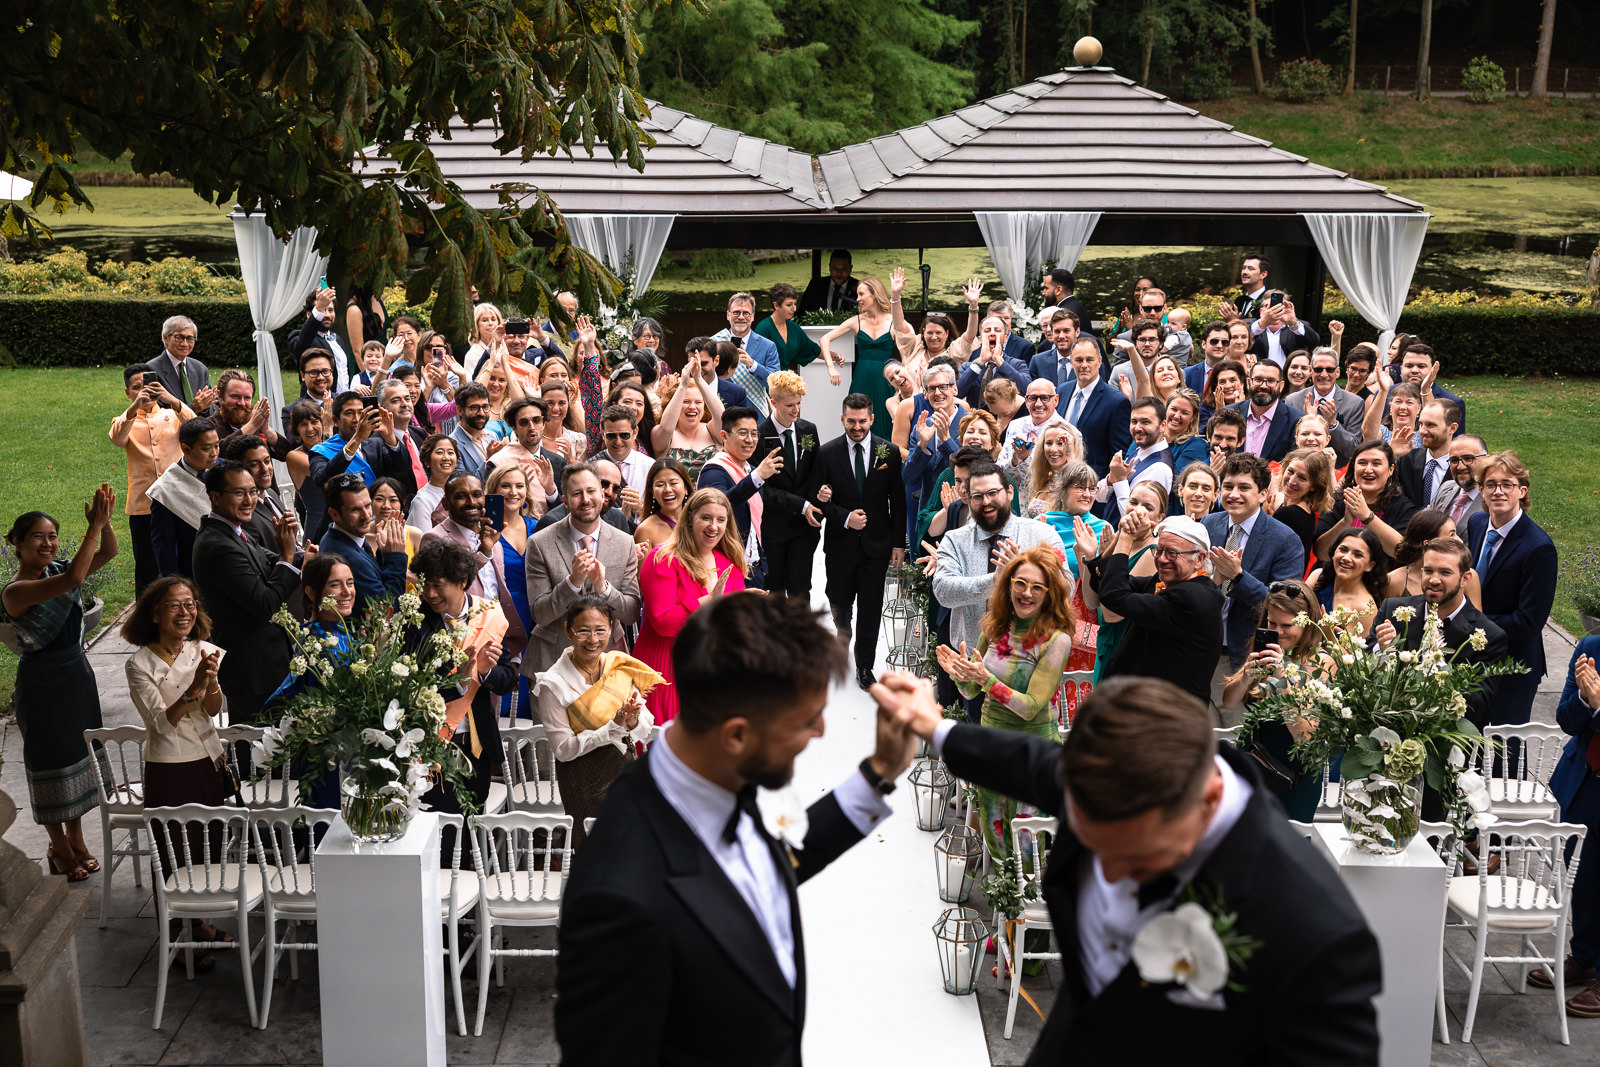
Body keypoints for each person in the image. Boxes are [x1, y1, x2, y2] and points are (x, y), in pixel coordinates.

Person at [878, 671, 1381, 1062]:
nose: (1109, 878)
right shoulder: (1107, 778)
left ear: (1205, 800)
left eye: (1137, 858)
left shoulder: (1319, 938)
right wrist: (933, 726)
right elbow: (1028, 761)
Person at [556, 592, 915, 1066]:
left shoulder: (713, 776)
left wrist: (881, 772)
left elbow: (764, 866)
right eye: (807, 721)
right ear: (737, 736)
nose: (822, 733)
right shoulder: (619, 900)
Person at [3, 491, 118, 883]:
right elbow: (76, 578)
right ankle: (59, 847)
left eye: (53, 535)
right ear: (17, 544)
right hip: (43, 684)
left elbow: (110, 551)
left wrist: (104, 522)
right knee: (51, 763)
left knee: (79, 759)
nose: (49, 543)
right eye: (38, 536)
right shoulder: (15, 591)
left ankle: (77, 841)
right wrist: (91, 528)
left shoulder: (60, 570)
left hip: (76, 677)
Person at [938, 545, 1073, 862]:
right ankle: (1006, 909)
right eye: (1020, 583)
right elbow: (972, 692)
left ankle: (1021, 910)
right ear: (1008, 584)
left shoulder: (1056, 640)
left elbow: (1030, 707)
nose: (1027, 593)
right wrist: (959, 674)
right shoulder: (994, 625)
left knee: (1027, 851)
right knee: (995, 840)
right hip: (993, 747)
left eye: (1037, 587)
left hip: (1033, 754)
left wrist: (986, 680)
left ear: (1050, 594)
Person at [932, 463, 1065, 721]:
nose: (986, 502)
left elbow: (1065, 588)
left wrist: (1021, 579)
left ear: (1010, 492)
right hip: (976, 664)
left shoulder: (1042, 535)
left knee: (1026, 749)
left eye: (993, 493)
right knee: (984, 747)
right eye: (977, 496)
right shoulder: (955, 540)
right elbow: (943, 591)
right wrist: (995, 581)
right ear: (968, 499)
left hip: (1031, 664)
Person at [531, 595, 660, 849]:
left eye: (600, 630)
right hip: (583, 784)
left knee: (632, 851)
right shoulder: (553, 684)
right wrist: (610, 729)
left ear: (611, 629)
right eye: (583, 631)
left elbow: (644, 729)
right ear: (568, 631)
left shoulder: (618, 668)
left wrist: (631, 722)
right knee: (595, 858)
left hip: (625, 775)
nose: (593, 640)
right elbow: (564, 750)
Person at [407, 539, 514, 825]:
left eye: (438, 585)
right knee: (441, 832)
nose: (429, 593)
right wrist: (459, 679)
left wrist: (483, 673)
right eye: (425, 584)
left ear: (463, 581)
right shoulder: (414, 620)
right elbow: (411, 686)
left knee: (471, 829)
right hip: (433, 745)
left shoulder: (489, 613)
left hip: (475, 745)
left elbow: (506, 678)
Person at [190, 460, 301, 726]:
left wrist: (300, 556)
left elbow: (269, 562)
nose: (249, 500)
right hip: (252, 672)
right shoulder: (218, 546)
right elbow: (265, 603)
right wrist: (288, 556)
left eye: (252, 492)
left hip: (268, 665)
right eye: (239, 493)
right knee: (261, 754)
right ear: (215, 496)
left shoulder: (235, 531)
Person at [811, 393, 906, 689]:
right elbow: (819, 500)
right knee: (838, 599)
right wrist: (844, 516)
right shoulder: (826, 453)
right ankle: (843, 628)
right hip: (840, 543)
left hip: (876, 545)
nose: (857, 426)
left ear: (872, 419)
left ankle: (864, 665)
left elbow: (898, 500)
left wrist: (898, 544)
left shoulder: (888, 452)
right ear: (842, 419)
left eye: (862, 421)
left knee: (871, 607)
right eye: (851, 421)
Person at [1202, 453, 1307, 718]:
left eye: (1244, 487)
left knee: (1231, 742)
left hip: (1244, 657)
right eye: (1228, 486)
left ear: (1262, 494)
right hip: (1200, 648)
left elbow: (1285, 605)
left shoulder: (1285, 540)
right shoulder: (1207, 525)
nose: (1233, 494)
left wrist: (1238, 577)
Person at [634, 488, 748, 724]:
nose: (713, 526)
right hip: (666, 667)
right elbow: (663, 622)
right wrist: (710, 601)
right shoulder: (663, 559)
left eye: (720, 520)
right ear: (689, 519)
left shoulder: (730, 563)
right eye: (706, 518)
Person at [1371, 537, 1508, 731]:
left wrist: (1438, 665)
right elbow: (1366, 676)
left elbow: (1475, 707)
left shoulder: (1490, 636)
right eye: (1428, 571)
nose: (1434, 580)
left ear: (1465, 579)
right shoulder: (1393, 611)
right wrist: (1382, 650)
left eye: (1445, 572)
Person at [1085, 513, 1224, 705]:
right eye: (1158, 550)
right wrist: (1122, 535)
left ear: (1199, 559)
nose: (1162, 559)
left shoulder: (1192, 597)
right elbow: (1104, 582)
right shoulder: (1166, 582)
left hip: (1164, 720)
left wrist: (1127, 539)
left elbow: (1115, 596)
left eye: (1172, 553)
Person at [1463, 450, 1558, 729]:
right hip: (1471, 661)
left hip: (1512, 668)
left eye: (1507, 484)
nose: (1499, 491)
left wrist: (1473, 623)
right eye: (1491, 484)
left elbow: (1529, 622)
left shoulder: (1538, 547)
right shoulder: (1477, 523)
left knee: (1506, 756)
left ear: (1522, 491)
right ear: (1481, 490)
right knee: (1467, 748)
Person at [1226, 581, 1334, 822]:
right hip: (1254, 766)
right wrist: (1245, 678)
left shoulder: (1321, 662)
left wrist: (1282, 679)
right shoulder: (1269, 648)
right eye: (1271, 623)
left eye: (1287, 625)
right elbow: (1229, 701)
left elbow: (1305, 737)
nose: (1279, 631)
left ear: (1307, 625)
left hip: (1293, 777)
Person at [522, 463, 641, 675]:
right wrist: (572, 583)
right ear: (565, 501)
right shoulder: (539, 543)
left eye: (591, 491)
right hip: (552, 664)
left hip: (607, 664)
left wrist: (604, 589)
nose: (586, 500)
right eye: (577, 494)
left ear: (602, 495)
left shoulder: (625, 542)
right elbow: (540, 614)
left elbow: (631, 612)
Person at [1541, 634, 1600, 1013]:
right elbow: (1564, 718)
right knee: (1584, 877)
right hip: (1584, 783)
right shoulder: (1591, 647)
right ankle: (1584, 958)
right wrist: (1583, 700)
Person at [111, 362, 196, 594]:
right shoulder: (125, 420)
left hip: (178, 501)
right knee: (147, 566)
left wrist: (172, 399)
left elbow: (195, 425)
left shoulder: (172, 414)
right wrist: (134, 408)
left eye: (147, 384)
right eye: (136, 387)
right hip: (143, 506)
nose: (144, 391)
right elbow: (117, 437)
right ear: (127, 393)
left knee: (185, 561)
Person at [750, 371, 823, 600]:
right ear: (773, 402)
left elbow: (815, 472)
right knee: (775, 591)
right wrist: (800, 504)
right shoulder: (759, 436)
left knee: (801, 590)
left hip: (804, 527)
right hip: (773, 526)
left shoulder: (808, 429)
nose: (796, 410)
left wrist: (815, 500)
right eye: (790, 405)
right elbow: (760, 489)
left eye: (799, 403)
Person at [306, 391, 413, 541]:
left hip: (379, 526)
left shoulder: (376, 444)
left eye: (361, 413)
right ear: (335, 420)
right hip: (343, 531)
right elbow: (322, 479)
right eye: (349, 413)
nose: (357, 419)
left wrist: (390, 438)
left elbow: (403, 473)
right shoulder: (322, 451)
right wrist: (356, 440)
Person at [1313, 439, 1417, 568]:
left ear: (1390, 469)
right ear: (1353, 467)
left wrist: (1367, 516)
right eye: (1362, 463)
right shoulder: (1338, 502)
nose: (1368, 470)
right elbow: (1322, 553)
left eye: (1376, 464)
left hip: (1379, 582)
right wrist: (1346, 522)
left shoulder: (1404, 507)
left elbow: (1400, 552)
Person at [318, 473, 409, 617]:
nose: (367, 515)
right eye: (355, 510)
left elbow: (375, 579)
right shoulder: (350, 558)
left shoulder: (345, 534)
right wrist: (395, 557)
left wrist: (383, 553)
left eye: (367, 506)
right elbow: (388, 613)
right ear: (334, 514)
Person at [821, 276, 898, 439]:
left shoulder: (894, 321)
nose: (858, 299)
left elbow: (910, 345)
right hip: (861, 378)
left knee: (885, 422)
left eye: (861, 294)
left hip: (886, 379)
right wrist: (830, 367)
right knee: (857, 420)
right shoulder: (856, 321)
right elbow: (824, 339)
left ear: (874, 295)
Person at [147, 416, 220, 578]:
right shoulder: (165, 489)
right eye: (207, 448)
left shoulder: (224, 468)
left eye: (217, 445)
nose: (214, 453)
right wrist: (175, 582)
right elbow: (164, 544)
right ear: (186, 449)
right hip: (196, 572)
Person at [1058, 337, 1131, 480]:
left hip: (1092, 485)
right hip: (1057, 478)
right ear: (1071, 362)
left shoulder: (1116, 402)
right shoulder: (1062, 390)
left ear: (1099, 361)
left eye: (1089, 360)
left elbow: (1118, 454)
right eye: (1079, 360)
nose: (1084, 365)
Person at [1286, 347, 1364, 464]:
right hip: (1302, 468)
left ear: (1337, 372)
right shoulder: (1293, 400)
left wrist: (1333, 424)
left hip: (1338, 471)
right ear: (1310, 371)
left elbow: (1353, 449)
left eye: (1329, 370)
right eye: (1318, 369)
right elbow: (1288, 445)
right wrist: (1308, 422)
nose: (1324, 374)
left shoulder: (1354, 403)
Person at [1308, 528, 1387, 638]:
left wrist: (1328, 632)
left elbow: (1353, 655)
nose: (1346, 558)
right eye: (1343, 550)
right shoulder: (1317, 576)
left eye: (1357, 555)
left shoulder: (1365, 609)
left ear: (1370, 565)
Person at [712, 293, 780, 414]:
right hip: (719, 413)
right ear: (728, 315)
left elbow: (775, 385)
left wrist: (753, 365)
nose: (741, 317)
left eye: (746, 313)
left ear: (753, 316)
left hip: (755, 414)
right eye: (736, 312)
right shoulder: (713, 343)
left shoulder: (768, 346)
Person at [1227, 359, 1303, 464]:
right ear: (1249, 382)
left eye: (1271, 381)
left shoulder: (1296, 420)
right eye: (1258, 379)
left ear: (1281, 386)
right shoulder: (1228, 414)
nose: (1263, 385)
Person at [652, 372, 723, 485]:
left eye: (698, 402)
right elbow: (666, 428)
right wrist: (683, 385)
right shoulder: (664, 433)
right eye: (685, 402)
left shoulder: (712, 430)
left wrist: (699, 379)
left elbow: (722, 417)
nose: (692, 407)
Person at [1273, 448, 1336, 573]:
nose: (1292, 481)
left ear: (1314, 486)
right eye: (1290, 471)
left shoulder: (1290, 514)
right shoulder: (1305, 511)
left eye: (1302, 478)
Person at [957, 313, 1031, 410]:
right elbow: (957, 393)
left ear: (1005, 338)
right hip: (976, 421)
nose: (992, 333)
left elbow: (1027, 391)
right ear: (980, 339)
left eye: (997, 330)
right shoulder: (968, 367)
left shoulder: (1017, 364)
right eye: (987, 331)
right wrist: (980, 361)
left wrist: (1000, 362)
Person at [1395, 399, 1460, 509]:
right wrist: (1394, 457)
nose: (1422, 431)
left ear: (1452, 428)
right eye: (1421, 424)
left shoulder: (1463, 467)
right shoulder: (1406, 460)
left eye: (1430, 425)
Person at [1384, 508, 1458, 599]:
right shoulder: (1393, 581)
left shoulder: (1466, 577)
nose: (1460, 541)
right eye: (1451, 535)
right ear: (1427, 544)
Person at [149, 315, 215, 414]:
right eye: (179, 338)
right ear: (166, 338)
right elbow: (154, 415)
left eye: (190, 338)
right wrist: (193, 408)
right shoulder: (150, 370)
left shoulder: (200, 369)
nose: (185, 344)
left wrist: (205, 405)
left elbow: (213, 408)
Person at [753, 282, 822, 373]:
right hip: (766, 380)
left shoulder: (793, 328)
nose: (794, 309)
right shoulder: (763, 328)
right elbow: (755, 362)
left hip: (786, 381)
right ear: (776, 305)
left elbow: (813, 350)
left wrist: (835, 357)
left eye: (795, 304)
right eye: (789, 305)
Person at [1247, 293, 1321, 369]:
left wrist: (1293, 323)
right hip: (1258, 377)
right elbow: (1239, 337)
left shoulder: (1297, 326)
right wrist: (1262, 324)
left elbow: (1315, 342)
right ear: (1261, 311)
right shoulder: (1250, 325)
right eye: (1268, 306)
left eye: (1279, 306)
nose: (1273, 310)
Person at [633, 456, 692, 552]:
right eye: (660, 485)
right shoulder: (645, 530)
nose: (667, 490)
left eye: (673, 483)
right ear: (652, 491)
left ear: (686, 487)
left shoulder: (699, 520)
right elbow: (644, 567)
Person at [1433, 434, 1490, 525]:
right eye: (1454, 460)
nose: (1460, 467)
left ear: (1487, 460)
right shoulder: (1446, 488)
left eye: (1468, 459)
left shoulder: (1494, 499)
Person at [406, 434, 458, 531]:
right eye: (439, 452)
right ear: (427, 461)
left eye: (450, 452)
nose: (446, 457)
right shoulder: (422, 500)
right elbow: (424, 542)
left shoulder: (460, 491)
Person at [799, 248, 861, 312]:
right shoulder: (815, 285)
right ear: (829, 267)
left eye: (844, 269)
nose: (839, 273)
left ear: (850, 269)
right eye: (835, 268)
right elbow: (801, 313)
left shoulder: (859, 287)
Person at [1229, 252, 1272, 319]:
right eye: (1243, 268)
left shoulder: (1269, 301)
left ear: (1263, 274)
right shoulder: (1239, 300)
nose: (1245, 272)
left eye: (1251, 268)